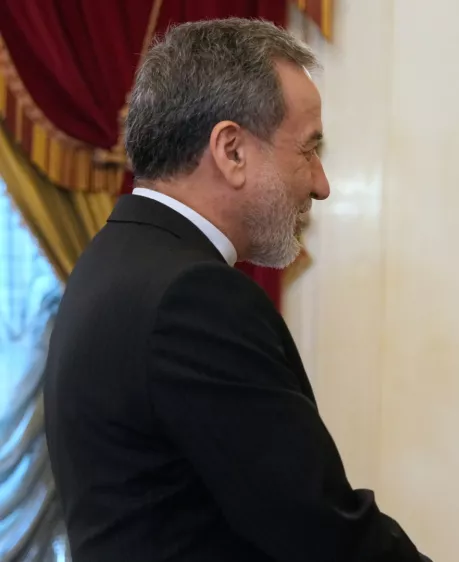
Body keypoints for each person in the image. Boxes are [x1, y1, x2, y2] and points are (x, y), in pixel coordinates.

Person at [44, 19, 428, 562]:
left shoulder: (113, 260)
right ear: (232, 151)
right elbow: (317, 530)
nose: (321, 183)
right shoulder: (195, 297)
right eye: (308, 149)